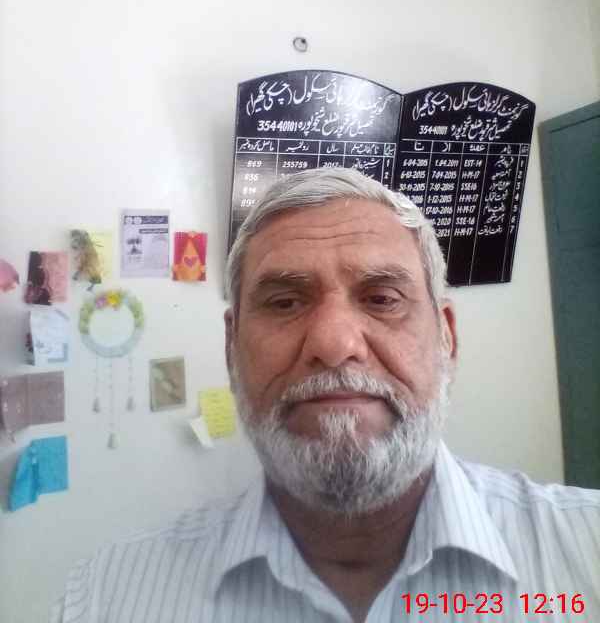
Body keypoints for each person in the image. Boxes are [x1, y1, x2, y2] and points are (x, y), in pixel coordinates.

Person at [52, 167, 600, 622]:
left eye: (383, 298)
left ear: (447, 338)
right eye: (285, 302)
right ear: (230, 346)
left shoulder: (586, 553)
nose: (335, 345)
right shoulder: (103, 601)